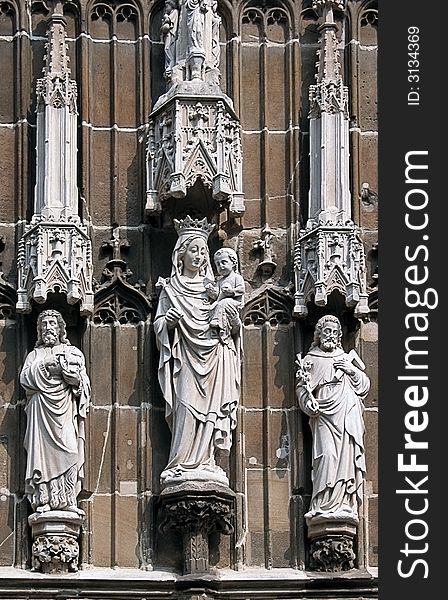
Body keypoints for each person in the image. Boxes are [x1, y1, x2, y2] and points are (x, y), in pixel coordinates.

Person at [154, 216, 242, 486]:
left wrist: (227, 326)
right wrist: (167, 323)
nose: (200, 256)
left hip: (215, 356)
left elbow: (234, 320)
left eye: (204, 251)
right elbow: (159, 324)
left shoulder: (213, 290)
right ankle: (182, 461)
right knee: (185, 406)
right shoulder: (171, 288)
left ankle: (206, 460)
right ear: (181, 254)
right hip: (185, 360)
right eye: (194, 250)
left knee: (211, 414)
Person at [295, 315, 369, 524]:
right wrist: (307, 403)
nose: (330, 335)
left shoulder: (345, 358)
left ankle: (344, 502)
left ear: (339, 336)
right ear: (318, 334)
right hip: (324, 416)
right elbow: (302, 388)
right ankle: (322, 503)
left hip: (346, 411)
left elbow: (364, 386)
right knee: (326, 456)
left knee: (346, 458)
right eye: (326, 331)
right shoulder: (311, 359)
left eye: (334, 332)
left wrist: (350, 371)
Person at [21, 310, 90, 514]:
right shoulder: (35, 355)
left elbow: (84, 385)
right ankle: (43, 498)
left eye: (52, 323)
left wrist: (74, 380)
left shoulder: (73, 353)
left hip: (65, 411)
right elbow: (25, 380)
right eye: (44, 324)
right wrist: (45, 366)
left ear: (61, 328)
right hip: (41, 414)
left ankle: (67, 498)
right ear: (39, 330)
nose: (48, 327)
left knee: (70, 449)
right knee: (40, 457)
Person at [204, 247, 244, 342]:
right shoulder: (219, 280)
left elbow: (241, 289)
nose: (220, 266)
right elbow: (217, 294)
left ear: (233, 263)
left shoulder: (237, 277)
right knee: (217, 305)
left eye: (224, 262)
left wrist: (232, 291)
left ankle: (218, 322)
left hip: (235, 303)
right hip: (221, 303)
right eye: (217, 264)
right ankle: (219, 327)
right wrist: (211, 291)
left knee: (224, 302)